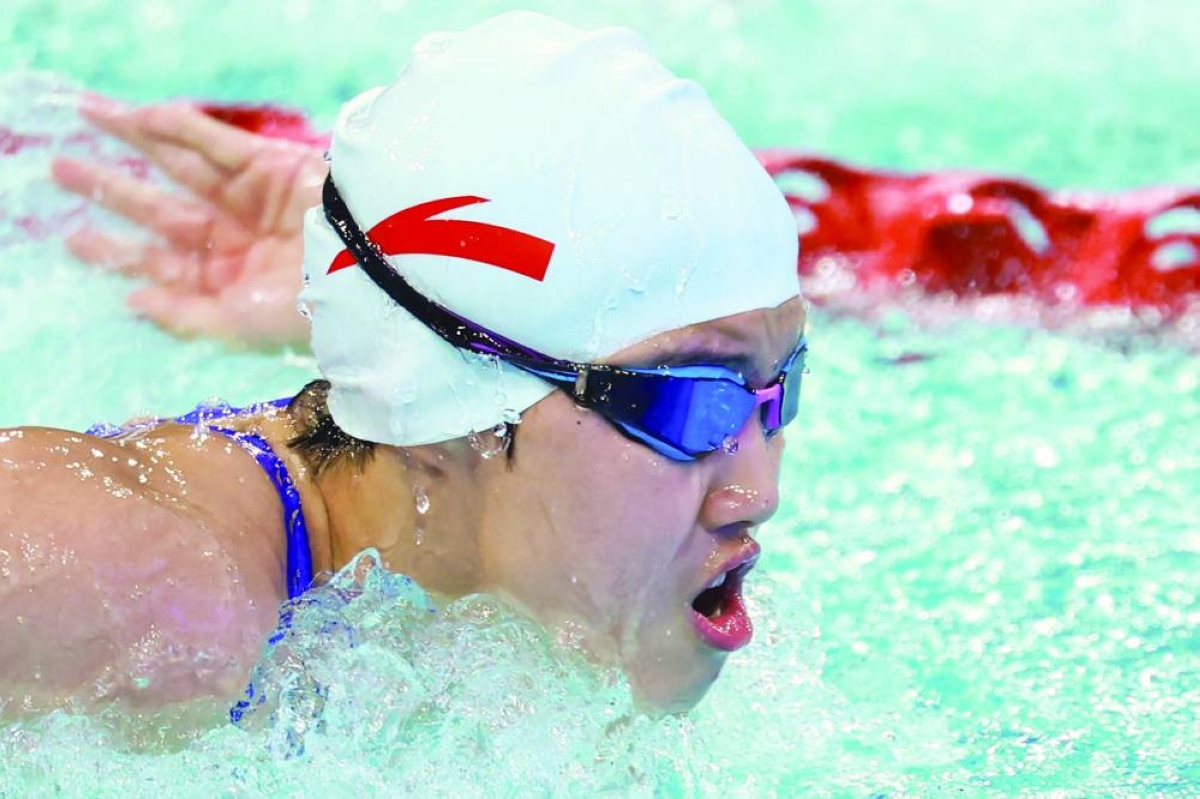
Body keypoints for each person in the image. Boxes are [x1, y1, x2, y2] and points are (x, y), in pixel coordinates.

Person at [0, 11, 806, 719]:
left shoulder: (502, 633)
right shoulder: (130, 589)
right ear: (443, 402)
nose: (760, 492)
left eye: (781, 390)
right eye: (689, 406)